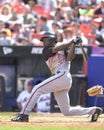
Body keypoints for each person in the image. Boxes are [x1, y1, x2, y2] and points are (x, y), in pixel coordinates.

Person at [11, 31, 103, 122]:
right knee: (66, 111)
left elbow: (70, 58)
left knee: (36, 88)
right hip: (60, 78)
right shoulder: (46, 50)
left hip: (63, 75)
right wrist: (72, 42)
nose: (43, 42)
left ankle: (23, 115)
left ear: (52, 40)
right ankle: (94, 110)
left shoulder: (64, 49)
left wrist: (74, 45)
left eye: (45, 39)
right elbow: (57, 48)